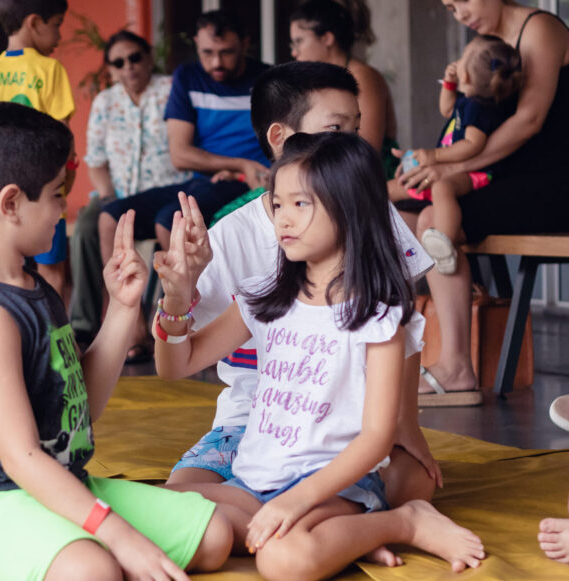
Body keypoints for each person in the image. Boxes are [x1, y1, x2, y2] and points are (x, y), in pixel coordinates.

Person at [154, 132, 486, 578]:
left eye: (301, 204)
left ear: (351, 209)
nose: (283, 219)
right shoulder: (260, 299)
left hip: (334, 487)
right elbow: (175, 365)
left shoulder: (378, 316)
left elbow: (375, 439)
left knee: (282, 560)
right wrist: (176, 300)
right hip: (250, 483)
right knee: (161, 516)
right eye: (278, 204)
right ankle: (355, 538)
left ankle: (402, 522)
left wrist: (297, 500)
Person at [0, 102, 232, 581]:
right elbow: (21, 458)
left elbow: (77, 409)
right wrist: (119, 534)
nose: (64, 209)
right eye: (55, 195)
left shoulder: (33, 286)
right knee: (95, 570)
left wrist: (122, 308)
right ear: (10, 204)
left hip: (62, 484)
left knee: (214, 538)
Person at [166, 63, 440, 511]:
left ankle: (352, 516)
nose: (352, 142)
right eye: (336, 128)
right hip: (249, 423)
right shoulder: (232, 239)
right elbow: (181, 354)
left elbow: (403, 329)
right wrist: (176, 293)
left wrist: (404, 423)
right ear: (281, 138)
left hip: (346, 427)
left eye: (355, 128)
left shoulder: (371, 218)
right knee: (178, 501)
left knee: (411, 483)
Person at [396, 1, 569, 406]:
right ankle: (375, 349)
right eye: (450, 8)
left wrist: (448, 169)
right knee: (396, 217)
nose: (459, 14)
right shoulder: (486, 43)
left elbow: (529, 121)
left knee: (434, 215)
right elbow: (461, 116)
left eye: (462, 1)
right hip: (505, 176)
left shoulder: (540, 28)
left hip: (553, 181)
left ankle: (456, 366)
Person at [97, 9, 270, 362]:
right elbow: (180, 153)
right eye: (207, 52)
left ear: (245, 45)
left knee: (168, 222)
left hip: (246, 184)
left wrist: (248, 170)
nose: (216, 62)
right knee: (110, 217)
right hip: (205, 178)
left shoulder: (267, 79)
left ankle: (187, 325)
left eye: (226, 52)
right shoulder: (188, 76)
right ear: (197, 47)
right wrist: (234, 163)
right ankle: (132, 329)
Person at [69, 30, 191, 348]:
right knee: (84, 226)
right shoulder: (105, 102)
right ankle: (85, 323)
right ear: (110, 68)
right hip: (119, 195)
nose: (129, 67)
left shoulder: (171, 90)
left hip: (167, 192)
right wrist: (108, 196)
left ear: (149, 58)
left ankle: (158, 321)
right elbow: (94, 160)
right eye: (119, 62)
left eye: (135, 58)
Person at [0, 0, 76, 298]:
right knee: (52, 272)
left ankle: (18, 338)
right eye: (57, 25)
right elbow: (63, 138)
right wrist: (67, 182)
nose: (59, 36)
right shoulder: (50, 69)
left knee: (6, 271)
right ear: (35, 23)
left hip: (0, 198)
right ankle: (55, 341)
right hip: (43, 194)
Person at [393, 35, 521, 275]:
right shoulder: (468, 101)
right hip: (455, 168)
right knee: (395, 188)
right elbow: (446, 108)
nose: (457, 61)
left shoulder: (481, 107)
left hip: (475, 173)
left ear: (468, 77)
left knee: (443, 188)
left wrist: (435, 156)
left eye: (462, 58)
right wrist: (450, 86)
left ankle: (445, 241)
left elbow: (472, 145)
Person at [289, 0, 400, 178]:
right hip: (327, 171)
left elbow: (366, 149)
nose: (294, 52)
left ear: (327, 38)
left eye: (299, 41)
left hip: (364, 178)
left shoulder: (362, 77)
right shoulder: (320, 79)